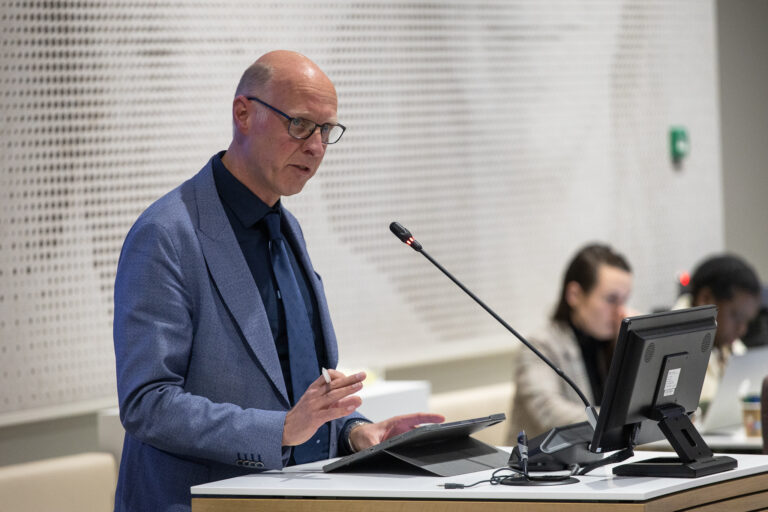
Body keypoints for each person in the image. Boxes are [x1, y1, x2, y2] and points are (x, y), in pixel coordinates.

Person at [112, 50, 444, 512]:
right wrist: (280, 431)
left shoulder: (287, 230)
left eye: (327, 131)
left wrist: (353, 432)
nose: (316, 146)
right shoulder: (167, 234)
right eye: (301, 124)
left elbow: (294, 385)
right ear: (243, 114)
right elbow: (148, 404)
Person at [506, 244, 632, 441]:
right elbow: (549, 413)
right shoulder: (540, 345)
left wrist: (633, 344)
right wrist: (624, 419)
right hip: (539, 467)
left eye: (624, 300)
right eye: (611, 300)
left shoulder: (612, 342)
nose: (620, 312)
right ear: (574, 295)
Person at [673, 254, 762, 405]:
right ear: (706, 299)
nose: (742, 330)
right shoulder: (671, 346)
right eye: (736, 317)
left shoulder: (727, 343)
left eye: (746, 321)